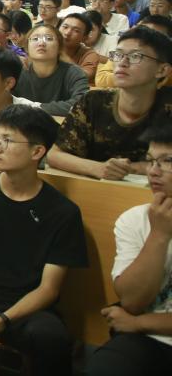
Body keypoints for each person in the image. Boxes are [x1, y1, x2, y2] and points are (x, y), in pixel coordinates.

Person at [0, 105, 87, 376]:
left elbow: (49, 289)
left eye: (7, 140)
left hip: (26, 307)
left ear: (37, 152)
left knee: (51, 338)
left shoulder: (63, 212)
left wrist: (0, 321)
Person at [87, 121, 172, 375]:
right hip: (149, 340)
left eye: (167, 161)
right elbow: (132, 301)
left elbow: (132, 315)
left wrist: (138, 323)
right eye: (151, 161)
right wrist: (159, 234)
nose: (153, 171)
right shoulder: (135, 219)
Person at [49, 26, 172, 180]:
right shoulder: (93, 101)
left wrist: (129, 168)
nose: (122, 63)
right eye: (118, 55)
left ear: (162, 70)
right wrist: (98, 168)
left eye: (136, 56)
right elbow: (55, 155)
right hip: (96, 188)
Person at [14, 23, 89, 116]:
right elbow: (5, 101)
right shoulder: (17, 73)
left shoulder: (74, 73)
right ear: (27, 48)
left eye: (49, 38)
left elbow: (83, 104)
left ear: (59, 47)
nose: (41, 43)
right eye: (35, 39)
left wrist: (36, 107)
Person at [95, 15, 172, 89]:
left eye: (154, 36)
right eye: (141, 33)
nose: (122, 63)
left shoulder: (165, 61)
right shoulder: (123, 52)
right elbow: (101, 79)